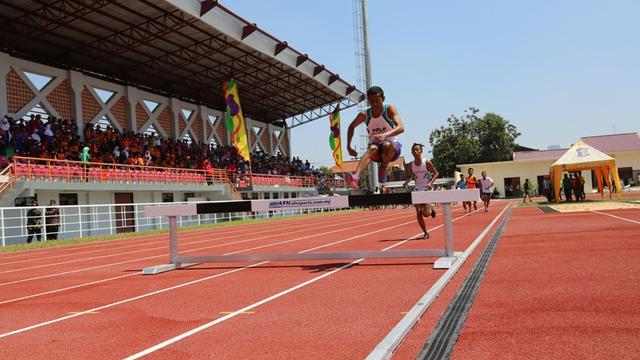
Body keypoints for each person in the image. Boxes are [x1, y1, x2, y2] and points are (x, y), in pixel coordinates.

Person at [345, 86, 405, 188]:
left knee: (386, 144)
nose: (375, 104)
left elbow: (401, 128)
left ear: (383, 99)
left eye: (378, 101)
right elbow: (351, 126)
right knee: (372, 148)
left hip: (392, 148)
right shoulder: (365, 114)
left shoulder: (389, 109)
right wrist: (348, 146)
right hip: (376, 150)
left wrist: (385, 134)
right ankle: (356, 176)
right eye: (372, 101)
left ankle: (384, 167)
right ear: (368, 101)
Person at [403, 143, 438, 239]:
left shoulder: (427, 162)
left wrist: (430, 183)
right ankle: (425, 232)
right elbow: (411, 177)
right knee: (418, 213)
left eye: (417, 150)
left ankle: (431, 209)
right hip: (417, 189)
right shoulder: (410, 165)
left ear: (421, 151)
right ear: (411, 152)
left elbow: (436, 173)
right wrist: (406, 182)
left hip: (426, 188)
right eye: (414, 150)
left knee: (426, 214)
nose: (415, 152)